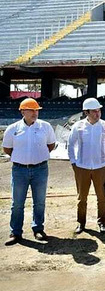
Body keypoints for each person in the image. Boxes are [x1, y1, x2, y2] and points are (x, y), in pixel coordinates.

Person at [2, 98, 56, 245]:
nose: (35, 113)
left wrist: (36, 157)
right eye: (31, 110)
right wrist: (23, 158)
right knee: (17, 203)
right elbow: (7, 149)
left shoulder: (45, 127)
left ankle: (38, 228)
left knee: (39, 202)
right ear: (22, 111)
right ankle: (16, 232)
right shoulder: (13, 129)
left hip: (40, 169)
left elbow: (51, 145)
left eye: (36, 110)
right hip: (19, 170)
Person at [67, 98, 105, 234]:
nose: (97, 113)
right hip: (82, 167)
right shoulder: (78, 126)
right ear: (86, 112)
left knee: (102, 196)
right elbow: (71, 144)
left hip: (101, 167)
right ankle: (81, 223)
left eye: (98, 110)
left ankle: (102, 223)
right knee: (82, 197)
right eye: (94, 111)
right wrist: (73, 162)